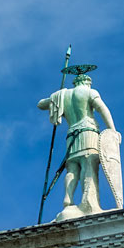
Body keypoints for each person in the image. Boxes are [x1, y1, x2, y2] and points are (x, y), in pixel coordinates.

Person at [38, 71, 118, 220]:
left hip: (71, 135)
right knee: (88, 165)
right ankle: (88, 202)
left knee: (72, 169)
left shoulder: (63, 95)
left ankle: (68, 199)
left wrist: (54, 97)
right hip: (88, 132)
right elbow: (103, 109)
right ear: (87, 82)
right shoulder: (89, 92)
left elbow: (40, 104)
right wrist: (112, 130)